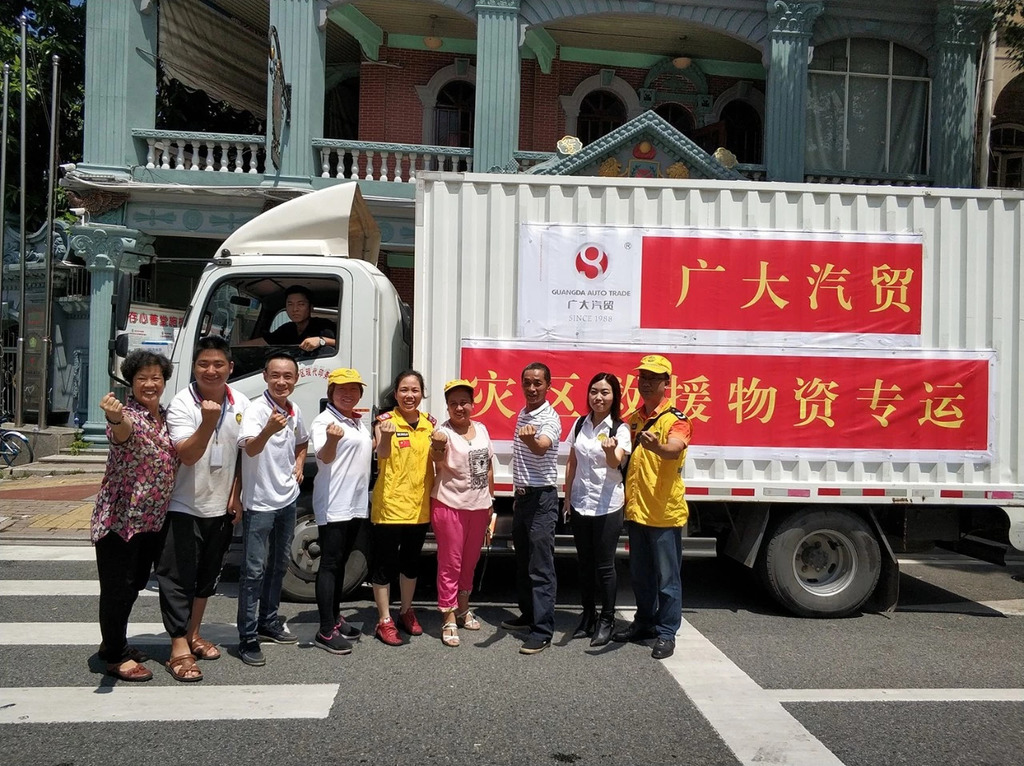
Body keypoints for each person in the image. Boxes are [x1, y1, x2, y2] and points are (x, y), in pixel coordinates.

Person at [156, 336, 250, 682]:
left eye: (218, 364)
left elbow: (242, 455)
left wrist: (236, 495)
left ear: (230, 367)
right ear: (194, 368)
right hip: (183, 504)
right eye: (203, 364)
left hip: (220, 505)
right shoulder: (182, 403)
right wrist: (208, 422)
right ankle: (178, 647)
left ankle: (193, 633)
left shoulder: (241, 401)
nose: (211, 370)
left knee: (207, 577)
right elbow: (187, 454)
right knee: (177, 579)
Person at [91, 350, 177, 682]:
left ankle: (114, 643)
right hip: (120, 520)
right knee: (118, 587)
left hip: (151, 520)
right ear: (131, 382)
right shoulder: (128, 415)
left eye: (156, 377)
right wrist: (114, 418)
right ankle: (114, 656)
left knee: (134, 584)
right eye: (142, 378)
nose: (150, 384)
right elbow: (122, 432)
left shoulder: (165, 417)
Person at [612, 354, 692, 661]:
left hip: (663, 513)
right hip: (637, 511)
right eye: (642, 377)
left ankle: (667, 632)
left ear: (666, 383)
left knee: (667, 580)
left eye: (653, 378)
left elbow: (674, 448)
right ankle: (644, 622)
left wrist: (657, 446)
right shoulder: (633, 419)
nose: (646, 383)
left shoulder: (677, 419)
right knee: (641, 575)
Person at [234, 353, 309, 666]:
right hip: (259, 502)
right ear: (265, 376)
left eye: (288, 376)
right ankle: (247, 636)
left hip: (287, 499)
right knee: (253, 571)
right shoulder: (256, 410)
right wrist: (267, 430)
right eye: (275, 375)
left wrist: (300, 464)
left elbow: (302, 441)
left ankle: (268, 620)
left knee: (279, 565)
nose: (281, 381)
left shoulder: (294, 409)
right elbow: (250, 448)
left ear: (296, 379)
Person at [563, 372, 631, 648]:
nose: (598, 397)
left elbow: (615, 463)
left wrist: (610, 450)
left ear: (614, 397)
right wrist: (567, 497)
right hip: (581, 503)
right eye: (594, 391)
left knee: (604, 566)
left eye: (605, 392)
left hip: (607, 505)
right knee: (585, 564)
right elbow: (572, 461)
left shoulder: (620, 429)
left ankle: (607, 619)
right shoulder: (580, 423)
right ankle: (588, 615)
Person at [309, 368, 373, 655]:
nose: (348, 394)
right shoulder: (325, 421)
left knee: (342, 562)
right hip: (334, 502)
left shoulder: (357, 422)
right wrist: (333, 440)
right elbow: (324, 457)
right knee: (330, 564)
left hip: (355, 503)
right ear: (331, 393)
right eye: (341, 389)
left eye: (353, 389)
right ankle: (325, 630)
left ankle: (335, 617)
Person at [370, 370, 435, 646]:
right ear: (395, 394)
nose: (410, 395)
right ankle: (384, 619)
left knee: (411, 562)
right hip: (389, 506)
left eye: (415, 390)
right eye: (404, 390)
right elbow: (382, 454)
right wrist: (385, 436)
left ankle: (406, 610)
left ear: (422, 394)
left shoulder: (430, 424)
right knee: (384, 564)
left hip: (419, 506)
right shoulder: (384, 421)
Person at [501, 362, 561, 655]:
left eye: (538, 383)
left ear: (548, 385)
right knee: (524, 561)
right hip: (523, 498)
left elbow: (542, 446)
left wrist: (532, 441)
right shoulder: (524, 412)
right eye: (527, 382)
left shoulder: (550, 417)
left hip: (542, 500)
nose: (532, 388)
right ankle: (529, 615)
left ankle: (542, 631)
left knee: (541, 567)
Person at [429, 379, 495, 648]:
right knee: (451, 563)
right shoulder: (442, 433)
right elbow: (436, 459)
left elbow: (488, 467)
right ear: (447, 407)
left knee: (469, 562)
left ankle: (464, 608)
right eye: (453, 403)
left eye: (464, 402)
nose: (459, 408)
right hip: (449, 506)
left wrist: (490, 503)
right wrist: (437, 445)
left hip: (479, 507)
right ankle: (448, 616)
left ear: (472, 404)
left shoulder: (482, 429)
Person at [241, 286, 337, 352]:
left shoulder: (323, 326)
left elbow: (342, 344)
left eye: (301, 304)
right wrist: (235, 347)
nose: (295, 309)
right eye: (290, 304)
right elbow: (263, 341)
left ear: (310, 307)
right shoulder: (287, 329)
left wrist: (320, 341)